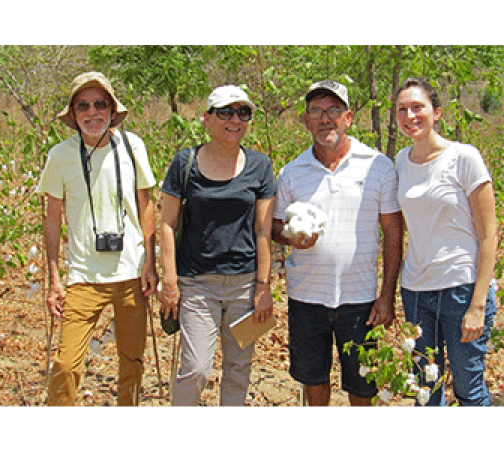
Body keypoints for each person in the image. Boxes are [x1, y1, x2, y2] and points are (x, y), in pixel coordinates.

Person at [272, 80, 403, 406]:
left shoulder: (377, 166)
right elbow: (274, 227)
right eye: (316, 111)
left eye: (333, 110)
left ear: (349, 117)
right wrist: (290, 236)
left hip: (360, 301)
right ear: (305, 120)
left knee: (362, 388)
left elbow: (393, 234)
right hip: (306, 299)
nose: (325, 118)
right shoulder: (292, 172)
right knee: (313, 384)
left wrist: (387, 296)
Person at [36, 72, 158, 406]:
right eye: (84, 106)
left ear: (112, 109)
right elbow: (52, 218)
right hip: (83, 277)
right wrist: (53, 278)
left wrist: (151, 262)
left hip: (131, 272)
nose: (93, 112)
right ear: (74, 114)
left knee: (132, 362)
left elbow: (146, 205)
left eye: (100, 104)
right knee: (66, 364)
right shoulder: (60, 156)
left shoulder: (132, 147)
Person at [159, 85, 276, 406]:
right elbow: (166, 224)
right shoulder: (185, 163)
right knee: (195, 368)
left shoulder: (259, 166)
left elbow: (263, 231)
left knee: (239, 368)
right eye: (225, 112)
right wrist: (169, 281)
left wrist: (264, 287)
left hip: (245, 286)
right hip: (197, 286)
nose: (234, 120)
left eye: (243, 113)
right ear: (207, 120)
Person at [395, 77, 498, 406]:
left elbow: (488, 235)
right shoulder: (401, 161)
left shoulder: (464, 157)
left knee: (469, 390)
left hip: (461, 289)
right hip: (416, 291)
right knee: (425, 390)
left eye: (417, 107)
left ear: (436, 112)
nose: (410, 116)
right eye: (402, 110)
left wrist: (478, 305)